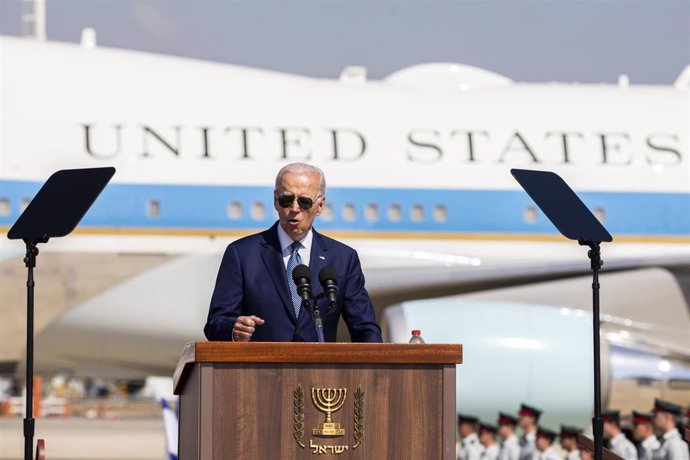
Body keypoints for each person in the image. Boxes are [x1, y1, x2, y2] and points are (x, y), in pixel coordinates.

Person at [204, 163, 382, 343]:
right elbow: (215, 324)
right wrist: (235, 330)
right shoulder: (242, 254)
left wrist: (379, 366)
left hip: (320, 369)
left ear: (320, 205)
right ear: (275, 200)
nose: (295, 208)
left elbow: (365, 329)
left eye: (304, 202)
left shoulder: (343, 258)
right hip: (262, 369)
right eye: (286, 200)